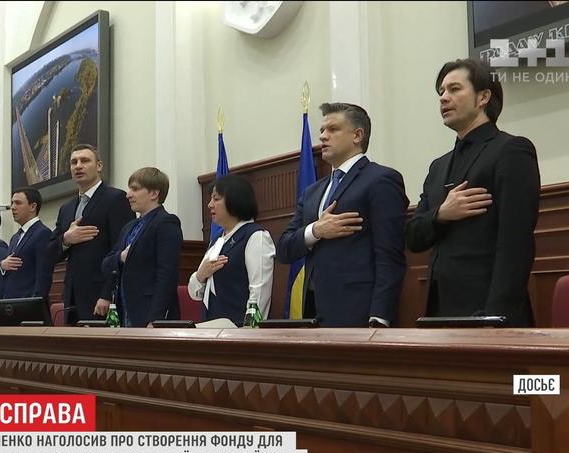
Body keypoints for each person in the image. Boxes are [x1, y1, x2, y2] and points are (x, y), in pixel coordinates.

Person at [405, 58, 540, 326]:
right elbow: (413, 237)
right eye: (441, 91)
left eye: (454, 89)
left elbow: (516, 243)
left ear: (483, 97)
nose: (443, 97)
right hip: (439, 310)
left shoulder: (511, 150)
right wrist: (441, 214)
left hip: (489, 309)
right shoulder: (438, 166)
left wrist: (495, 315)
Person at [276, 102, 408, 327]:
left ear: (357, 135)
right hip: (311, 311)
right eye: (322, 130)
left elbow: (389, 255)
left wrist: (380, 316)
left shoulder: (381, 180)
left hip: (357, 311)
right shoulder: (312, 192)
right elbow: (284, 249)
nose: (323, 136)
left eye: (333, 129)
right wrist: (316, 230)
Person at [49, 144, 134, 324]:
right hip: (72, 296)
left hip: (101, 296)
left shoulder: (116, 199)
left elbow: (120, 249)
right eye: (74, 162)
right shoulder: (66, 208)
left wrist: (107, 294)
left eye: (85, 161)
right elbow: (50, 252)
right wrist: (66, 239)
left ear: (99, 166)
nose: (78, 166)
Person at [188, 175, 275, 326]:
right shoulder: (217, 241)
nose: (210, 205)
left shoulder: (255, 236)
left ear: (235, 200)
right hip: (210, 328)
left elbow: (259, 292)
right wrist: (201, 274)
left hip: (238, 330)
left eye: (216, 199)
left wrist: (250, 331)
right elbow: (194, 293)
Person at [102, 167, 182, 327]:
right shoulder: (129, 227)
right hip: (124, 310)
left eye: (135, 189)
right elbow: (106, 264)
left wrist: (155, 319)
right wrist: (120, 257)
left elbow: (167, 275)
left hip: (149, 313)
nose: (128, 194)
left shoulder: (166, 223)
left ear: (154, 193)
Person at [0, 187, 54, 300]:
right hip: (10, 302)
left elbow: (43, 273)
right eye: (12, 203)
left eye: (18, 203)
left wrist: (35, 301)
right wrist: (2, 266)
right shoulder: (15, 238)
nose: (13, 207)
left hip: (28, 303)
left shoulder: (42, 233)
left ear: (33, 207)